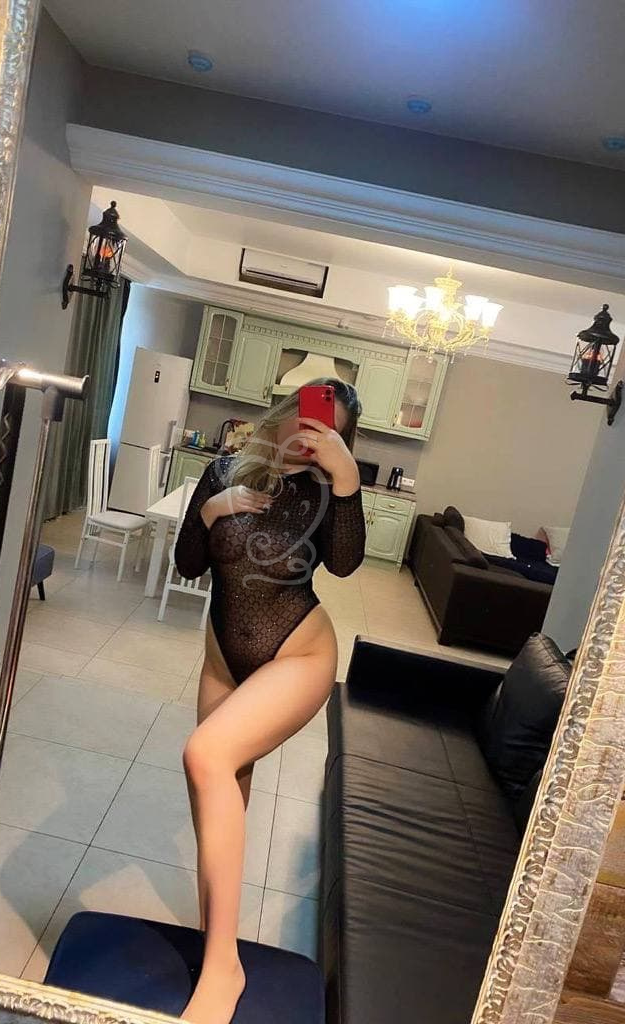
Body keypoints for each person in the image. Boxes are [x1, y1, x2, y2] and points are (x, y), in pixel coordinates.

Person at [172, 378, 366, 1024]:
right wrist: (213, 510)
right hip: (223, 663)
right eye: (310, 419)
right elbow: (188, 564)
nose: (314, 437)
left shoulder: (325, 492)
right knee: (216, 797)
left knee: (204, 754)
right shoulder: (224, 470)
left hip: (298, 655)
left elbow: (345, 564)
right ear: (286, 414)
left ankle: (224, 970)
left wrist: (346, 479)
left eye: (332, 430)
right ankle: (216, 946)